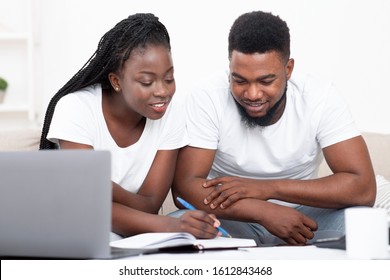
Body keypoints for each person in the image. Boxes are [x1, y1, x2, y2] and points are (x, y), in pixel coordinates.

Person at [172, 11, 376, 245]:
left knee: (366, 225)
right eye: (239, 80)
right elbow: (184, 188)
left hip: (305, 218)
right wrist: (263, 211)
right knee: (180, 227)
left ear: (288, 69)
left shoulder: (320, 97)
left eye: (266, 81)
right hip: (233, 218)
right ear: (230, 67)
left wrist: (267, 189)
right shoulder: (207, 96)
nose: (252, 94)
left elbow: (363, 188)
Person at [39, 13, 221, 240]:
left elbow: (151, 204)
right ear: (116, 81)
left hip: (138, 230)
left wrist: (106, 189)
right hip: (74, 228)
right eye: (147, 82)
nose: (162, 92)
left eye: (169, 78)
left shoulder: (171, 113)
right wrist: (168, 226)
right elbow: (84, 207)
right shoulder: (76, 108)